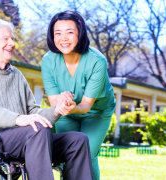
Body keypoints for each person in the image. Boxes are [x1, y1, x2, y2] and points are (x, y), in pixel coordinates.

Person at [0, 19, 93, 180]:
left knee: (77, 140)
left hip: (23, 138)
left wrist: (57, 109)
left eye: (12, 39)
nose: (12, 44)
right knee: (36, 130)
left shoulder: (16, 75)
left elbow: (34, 113)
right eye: (6, 39)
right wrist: (18, 119)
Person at [41, 10, 116, 180]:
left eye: (70, 32)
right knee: (70, 154)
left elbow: (85, 105)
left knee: (87, 154)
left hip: (97, 112)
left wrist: (70, 106)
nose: (63, 38)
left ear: (80, 33)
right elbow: (54, 101)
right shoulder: (48, 61)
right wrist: (63, 102)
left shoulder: (97, 61)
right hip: (67, 112)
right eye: (57, 33)